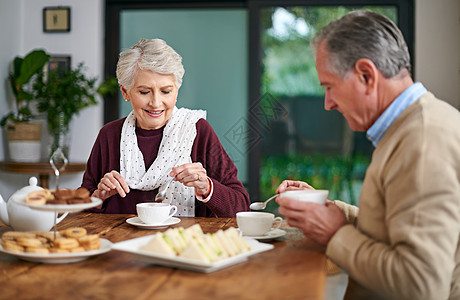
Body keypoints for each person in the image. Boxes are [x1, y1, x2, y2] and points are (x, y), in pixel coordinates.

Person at [275, 10, 460, 300]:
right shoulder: (411, 127)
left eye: (329, 87)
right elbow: (395, 229)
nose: (327, 104)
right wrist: (335, 212)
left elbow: (420, 284)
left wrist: (335, 235)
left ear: (366, 74)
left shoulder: (422, 140)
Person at [81, 38, 250, 217]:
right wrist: (98, 196)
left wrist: (207, 187)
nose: (155, 103)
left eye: (166, 91)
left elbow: (241, 207)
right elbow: (81, 209)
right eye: (144, 92)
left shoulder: (197, 130)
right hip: (121, 243)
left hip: (181, 243)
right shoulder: (109, 135)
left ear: (176, 90)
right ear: (125, 92)